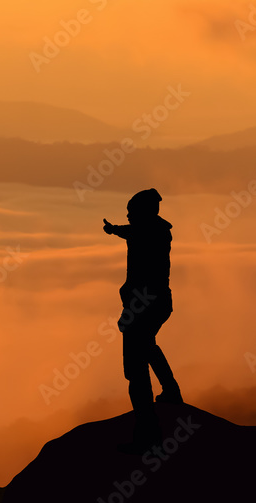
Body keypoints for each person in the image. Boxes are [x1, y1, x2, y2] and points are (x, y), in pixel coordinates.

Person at [103, 188, 183, 452]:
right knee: (145, 348)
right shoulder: (153, 230)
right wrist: (115, 230)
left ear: (143, 213)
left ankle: (148, 430)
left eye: (131, 213)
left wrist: (130, 312)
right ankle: (169, 392)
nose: (129, 217)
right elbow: (132, 231)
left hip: (145, 303)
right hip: (151, 303)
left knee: (135, 366)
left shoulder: (150, 233)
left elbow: (135, 234)